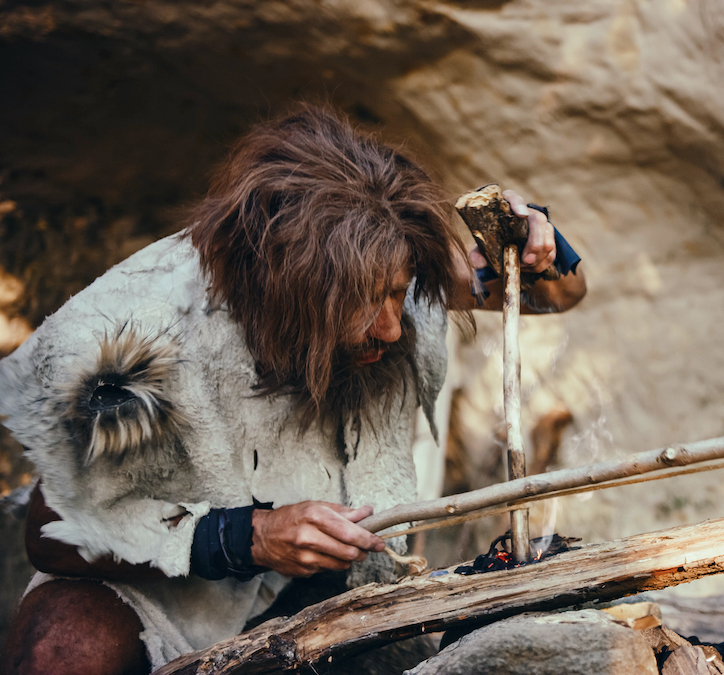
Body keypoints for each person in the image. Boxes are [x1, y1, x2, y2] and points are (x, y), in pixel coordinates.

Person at [0, 104, 586, 674]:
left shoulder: (385, 262)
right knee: (59, 651)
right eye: (367, 302)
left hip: (331, 582)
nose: (391, 325)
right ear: (290, 286)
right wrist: (249, 538)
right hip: (163, 579)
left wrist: (537, 245)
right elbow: (56, 534)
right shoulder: (139, 336)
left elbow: (561, 293)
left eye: (398, 293)